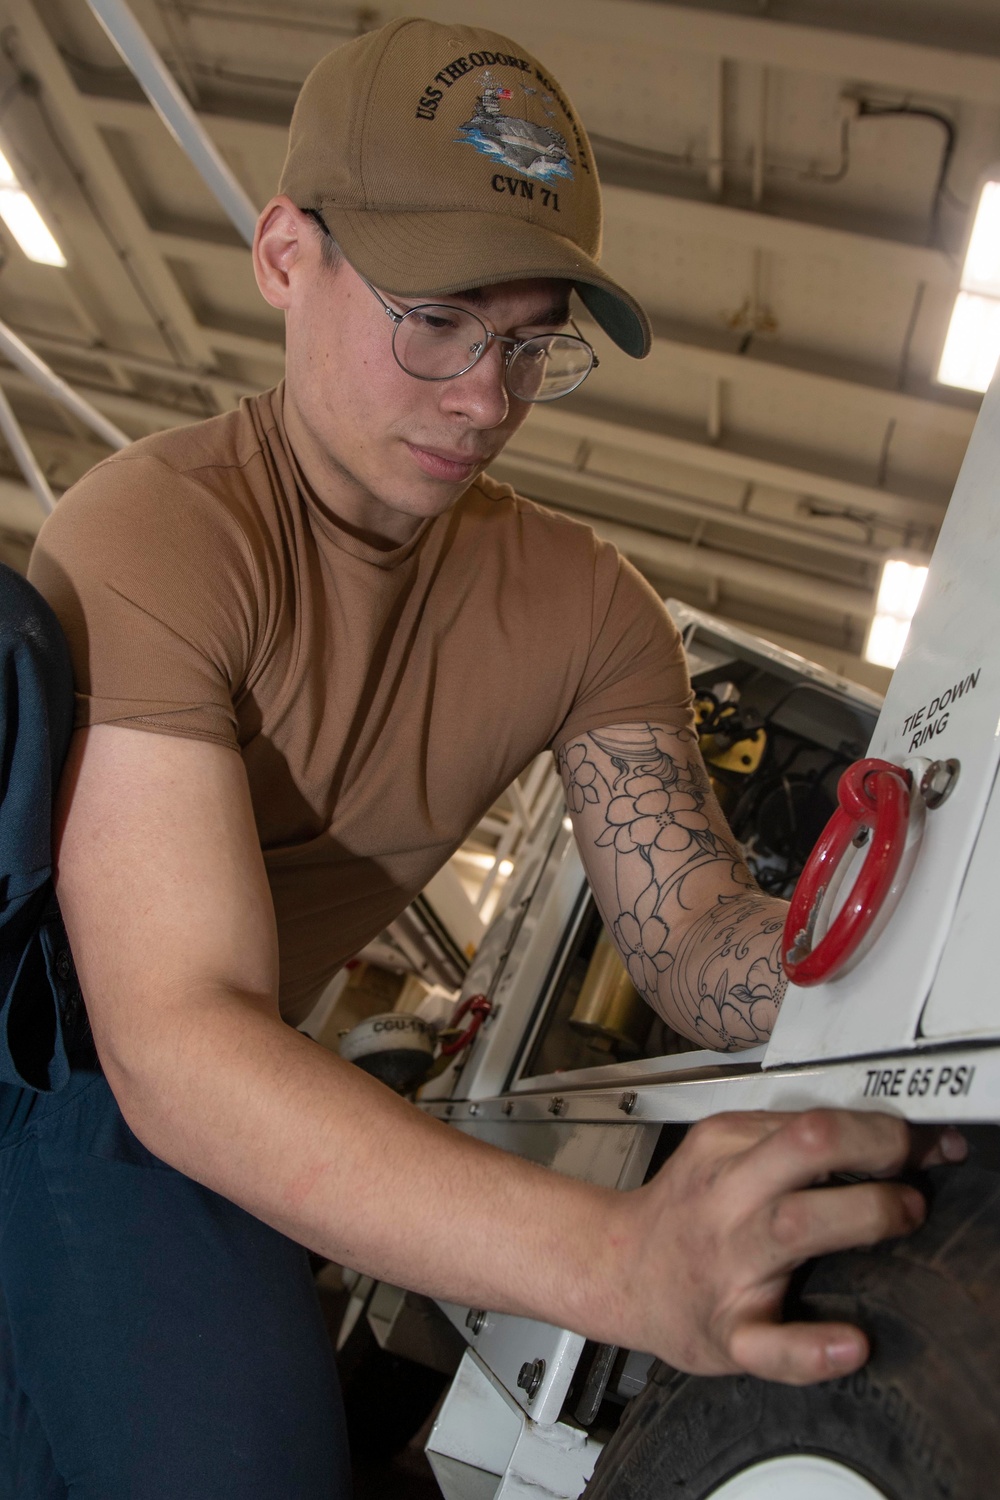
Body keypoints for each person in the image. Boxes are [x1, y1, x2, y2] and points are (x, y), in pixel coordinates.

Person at [2, 16, 961, 1498]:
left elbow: (694, 932)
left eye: (529, 344)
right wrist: (621, 1261)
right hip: (62, 1067)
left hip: (219, 1074)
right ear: (282, 255)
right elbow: (174, 1039)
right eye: (436, 320)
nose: (484, 397)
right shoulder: (157, 532)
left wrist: (896, 989)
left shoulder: (586, 607)